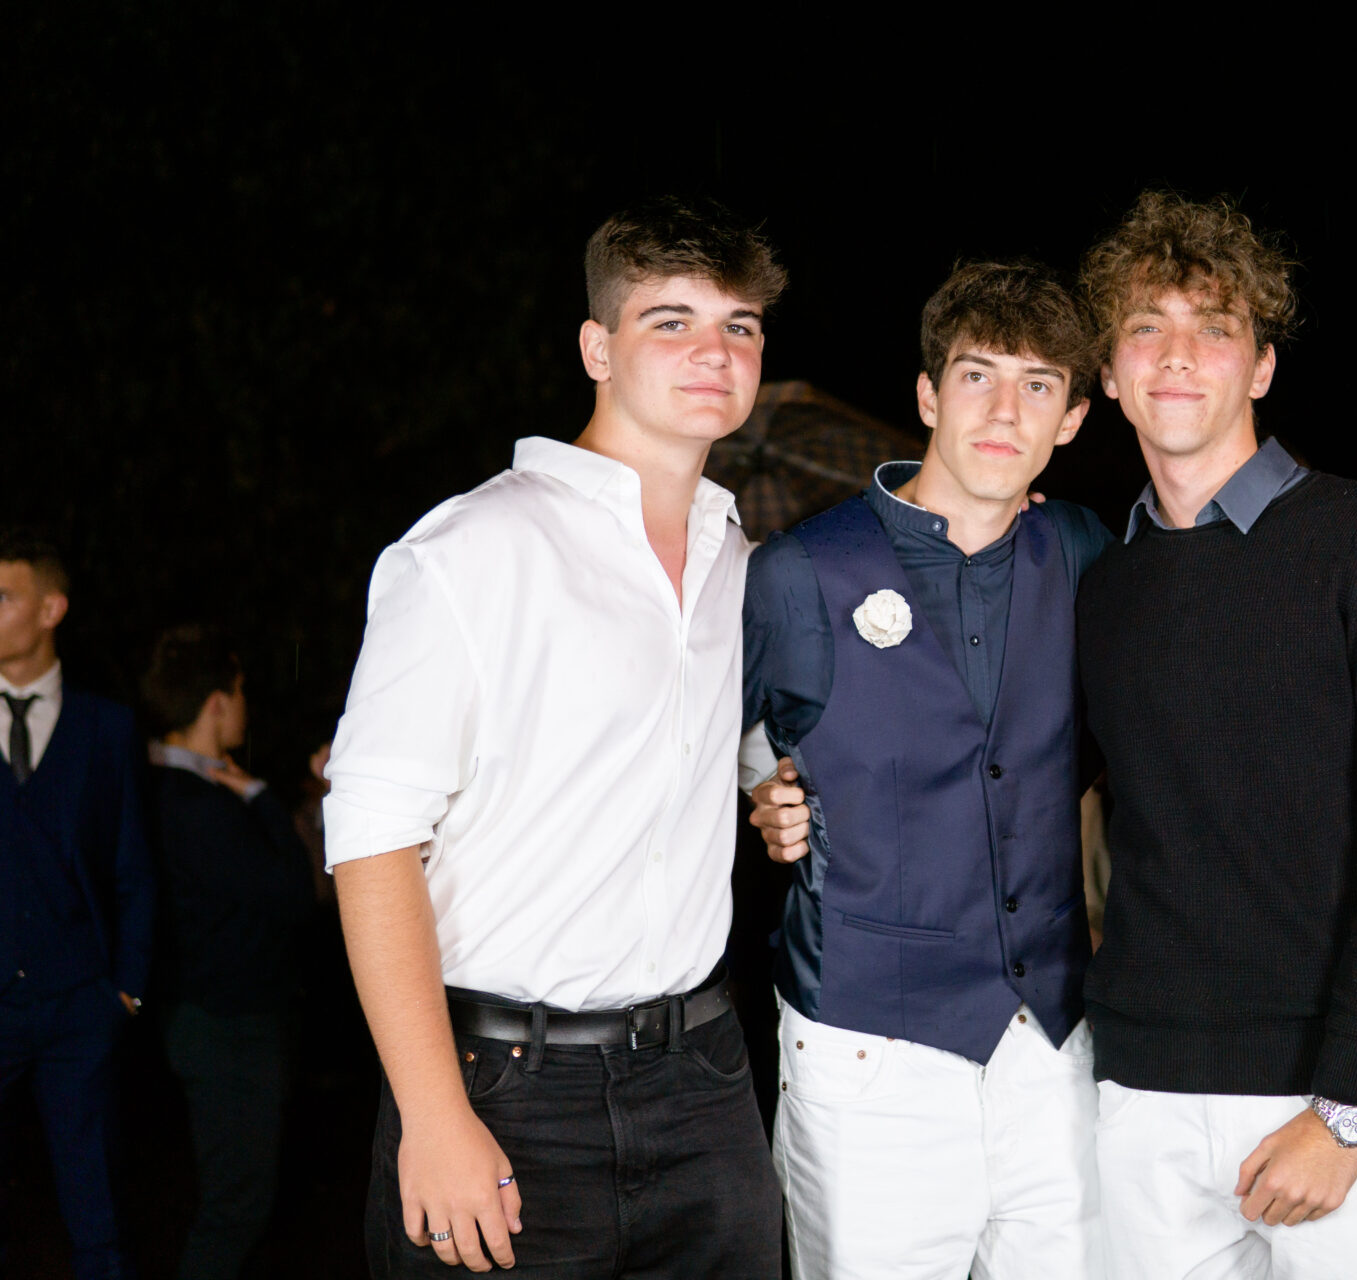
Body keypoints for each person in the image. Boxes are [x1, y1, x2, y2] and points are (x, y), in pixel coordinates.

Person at [324, 197, 786, 1276]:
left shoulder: (740, 559)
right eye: (670, 321)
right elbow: (372, 842)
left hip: (705, 1084)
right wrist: (433, 1112)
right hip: (502, 1087)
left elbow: (752, 752)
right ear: (597, 348)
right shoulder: (474, 548)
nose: (714, 351)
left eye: (740, 325)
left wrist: (777, 791)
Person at [1070, 192, 1357, 1279]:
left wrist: (1347, 1101)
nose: (1177, 354)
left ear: (1261, 367)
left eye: (1215, 327)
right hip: (1142, 1097)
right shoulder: (1104, 585)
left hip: (1329, 1095)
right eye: (1146, 326)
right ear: (1109, 371)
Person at [741, 259, 1110, 1278]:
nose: (1004, 409)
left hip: (1051, 1050)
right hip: (870, 1053)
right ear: (928, 394)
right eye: (977, 375)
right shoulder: (802, 570)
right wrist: (763, 788)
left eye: (1038, 384)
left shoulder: (1083, 550)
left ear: (1072, 419)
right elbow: (708, 733)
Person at [0, 527, 153, 1280]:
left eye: (4, 597)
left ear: (51, 609)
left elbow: (134, 864)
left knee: (97, 1214)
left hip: (79, 1008)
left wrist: (126, 990)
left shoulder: (106, 727)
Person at [141, 624, 313, 1280]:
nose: (246, 705)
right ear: (216, 701)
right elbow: (292, 892)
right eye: (239, 691)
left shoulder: (176, 787)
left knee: (238, 1201)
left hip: (214, 1017)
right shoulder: (193, 802)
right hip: (226, 1024)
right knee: (236, 1207)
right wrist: (262, 799)